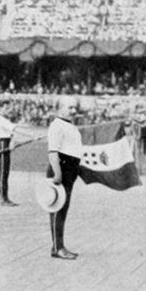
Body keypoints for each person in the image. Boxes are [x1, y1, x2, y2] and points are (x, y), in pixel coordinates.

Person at [47, 97, 83, 260]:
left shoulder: (69, 126)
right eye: (69, 108)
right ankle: (57, 247)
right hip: (60, 169)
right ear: (60, 109)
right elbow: (53, 152)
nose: (73, 110)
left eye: (75, 107)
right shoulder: (56, 125)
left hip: (69, 169)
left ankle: (59, 245)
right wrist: (57, 174)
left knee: (63, 209)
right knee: (58, 209)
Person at [0, 100, 31, 206]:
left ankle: (5, 198)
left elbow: (13, 133)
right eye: (6, 108)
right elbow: (16, 129)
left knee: (5, 173)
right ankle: (3, 199)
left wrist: (12, 142)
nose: (8, 110)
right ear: (0, 109)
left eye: (9, 108)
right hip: (2, 145)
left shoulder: (5, 120)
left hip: (5, 143)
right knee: (3, 173)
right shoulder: (1, 120)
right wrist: (31, 135)